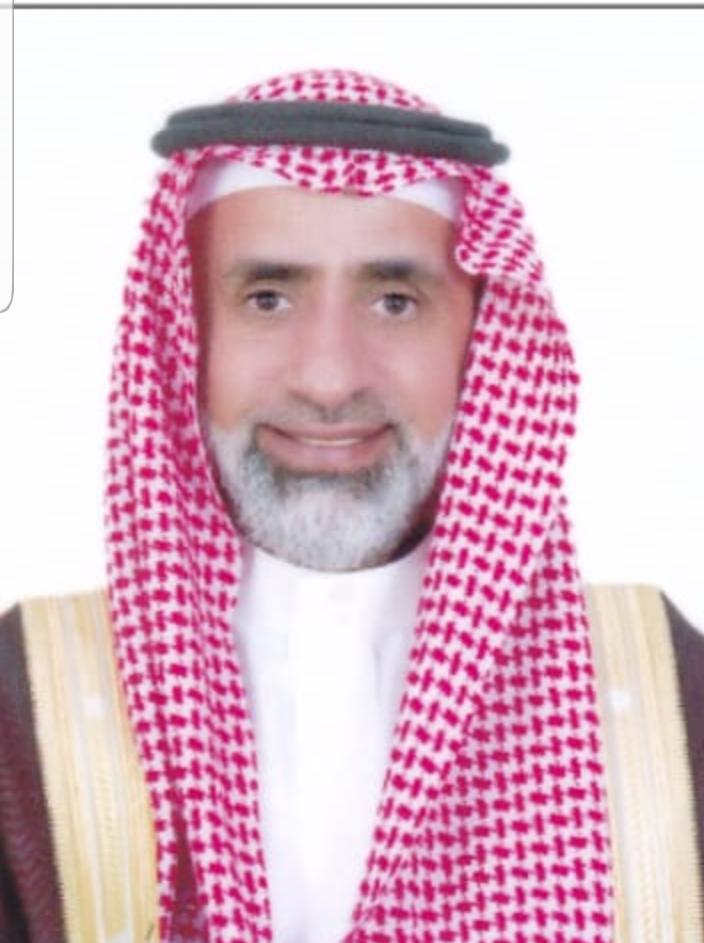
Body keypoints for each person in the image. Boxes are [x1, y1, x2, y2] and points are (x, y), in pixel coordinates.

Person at [0, 68, 702, 943]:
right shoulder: (26, 707)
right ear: (185, 336)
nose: (330, 378)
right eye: (267, 298)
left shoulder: (663, 695)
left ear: (481, 338)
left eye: (395, 301)